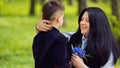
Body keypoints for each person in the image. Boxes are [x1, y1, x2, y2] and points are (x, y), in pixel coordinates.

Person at [36, 7, 120, 68]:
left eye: (87, 20)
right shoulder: (70, 37)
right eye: (82, 19)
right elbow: (50, 39)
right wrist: (39, 27)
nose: (82, 23)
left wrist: (82, 66)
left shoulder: (107, 51)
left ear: (98, 25)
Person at [32, 1, 69, 68]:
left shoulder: (37, 37)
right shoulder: (60, 39)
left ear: (42, 16)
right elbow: (60, 65)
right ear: (58, 18)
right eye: (62, 17)